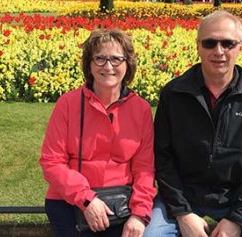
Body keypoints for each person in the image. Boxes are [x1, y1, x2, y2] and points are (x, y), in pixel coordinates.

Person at [144, 10, 242, 237]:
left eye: (227, 43)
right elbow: (162, 156)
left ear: (241, 46)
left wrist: (237, 218)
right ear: (198, 45)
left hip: (235, 198)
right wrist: (182, 213)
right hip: (182, 196)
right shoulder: (174, 93)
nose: (218, 51)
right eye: (210, 43)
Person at [39, 28, 156, 237]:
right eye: (100, 59)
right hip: (69, 202)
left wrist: (139, 214)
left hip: (120, 205)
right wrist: (87, 199)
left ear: (127, 63)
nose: (108, 66)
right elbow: (51, 162)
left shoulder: (141, 109)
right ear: (89, 65)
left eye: (116, 59)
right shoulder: (68, 103)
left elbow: (145, 169)